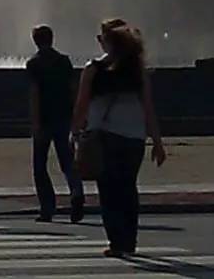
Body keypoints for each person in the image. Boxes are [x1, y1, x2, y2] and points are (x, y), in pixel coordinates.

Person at [71, 18, 167, 258]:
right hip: (135, 138)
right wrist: (157, 141)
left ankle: (117, 241)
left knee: (109, 190)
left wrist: (75, 132)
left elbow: (82, 104)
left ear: (108, 43)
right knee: (128, 188)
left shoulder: (93, 69)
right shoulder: (138, 71)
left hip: (104, 136)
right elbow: (148, 107)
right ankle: (130, 240)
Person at [26, 24, 84, 223]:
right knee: (68, 161)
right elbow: (73, 88)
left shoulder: (34, 63)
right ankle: (76, 193)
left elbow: (34, 94)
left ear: (35, 40)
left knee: (40, 166)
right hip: (64, 116)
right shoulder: (63, 61)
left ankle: (47, 207)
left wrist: (34, 121)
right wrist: (77, 115)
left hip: (44, 118)